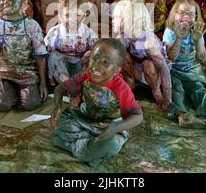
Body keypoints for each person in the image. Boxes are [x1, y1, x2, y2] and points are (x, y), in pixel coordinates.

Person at [50, 38, 143, 167]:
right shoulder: (85, 76)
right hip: (85, 118)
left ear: (116, 70)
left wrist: (114, 128)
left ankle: (75, 146)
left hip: (108, 126)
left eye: (105, 62)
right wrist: (57, 107)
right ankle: (90, 151)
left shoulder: (121, 87)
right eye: (95, 58)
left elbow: (138, 116)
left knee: (113, 143)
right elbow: (60, 88)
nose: (97, 66)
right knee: (61, 122)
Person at [163, 0, 206, 127]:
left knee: (198, 90)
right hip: (173, 70)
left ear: (196, 17)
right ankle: (181, 115)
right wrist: (179, 37)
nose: (186, 17)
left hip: (191, 70)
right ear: (175, 14)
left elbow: (202, 58)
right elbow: (172, 57)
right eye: (182, 13)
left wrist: (198, 40)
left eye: (190, 14)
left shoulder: (196, 31)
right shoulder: (170, 32)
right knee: (175, 89)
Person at [112, 0, 172, 110]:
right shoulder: (123, 36)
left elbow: (164, 68)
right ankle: (130, 84)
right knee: (121, 53)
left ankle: (156, 92)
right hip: (138, 71)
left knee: (148, 64)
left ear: (130, 20)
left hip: (154, 74)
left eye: (116, 17)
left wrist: (167, 96)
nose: (112, 19)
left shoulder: (148, 40)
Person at [45, 0, 98, 87]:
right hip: (61, 69)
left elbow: (97, 50)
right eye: (67, 15)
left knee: (93, 55)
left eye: (77, 15)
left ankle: (82, 85)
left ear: (84, 16)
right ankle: (68, 85)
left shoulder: (88, 33)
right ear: (60, 16)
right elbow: (47, 50)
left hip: (80, 67)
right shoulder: (55, 32)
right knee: (53, 56)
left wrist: (89, 54)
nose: (72, 19)